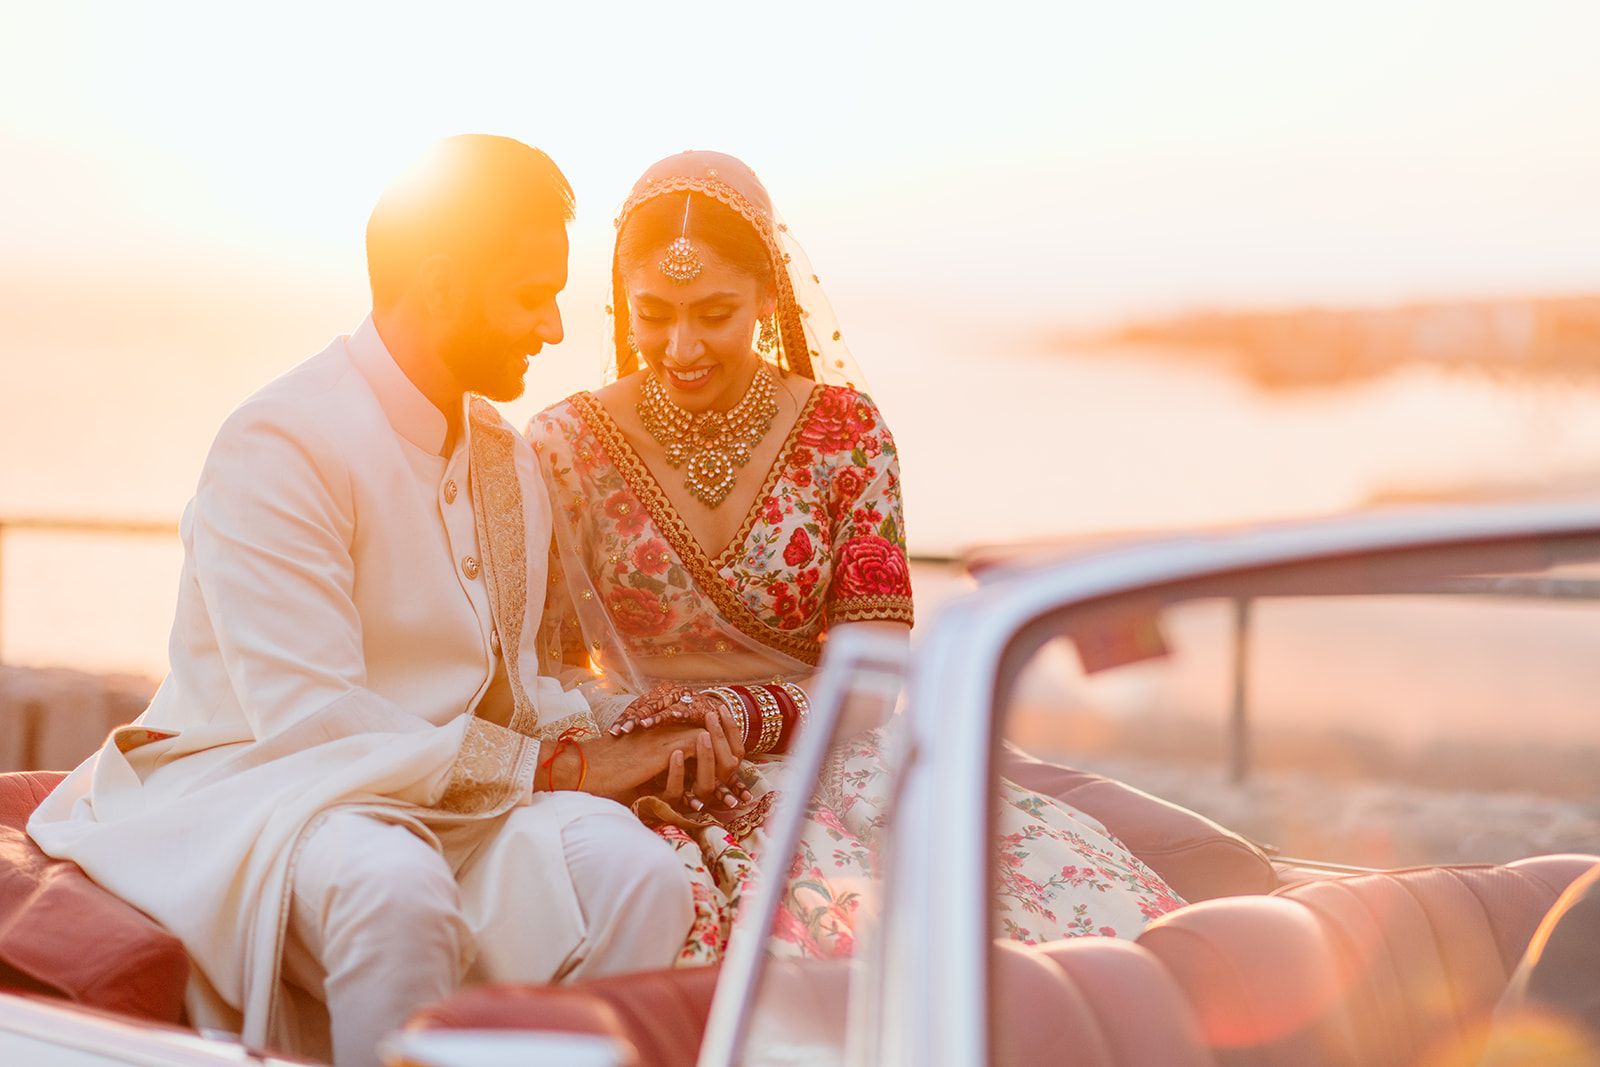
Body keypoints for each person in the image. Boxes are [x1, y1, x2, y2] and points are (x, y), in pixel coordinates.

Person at [26, 135, 727, 1067]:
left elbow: (515, 694)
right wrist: (566, 768)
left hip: (462, 805)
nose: (555, 327)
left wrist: (647, 734)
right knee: (394, 888)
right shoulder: (279, 442)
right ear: (439, 287)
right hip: (270, 791)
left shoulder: (507, 460)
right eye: (531, 294)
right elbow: (315, 722)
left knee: (636, 875)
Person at [526, 150, 1184, 964]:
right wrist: (650, 729)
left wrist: (742, 715)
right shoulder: (565, 445)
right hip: (654, 783)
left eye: (715, 311)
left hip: (835, 761)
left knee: (1046, 960)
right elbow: (543, 665)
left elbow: (874, 672)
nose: (680, 345)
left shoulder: (848, 434)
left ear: (769, 296)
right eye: (653, 313)